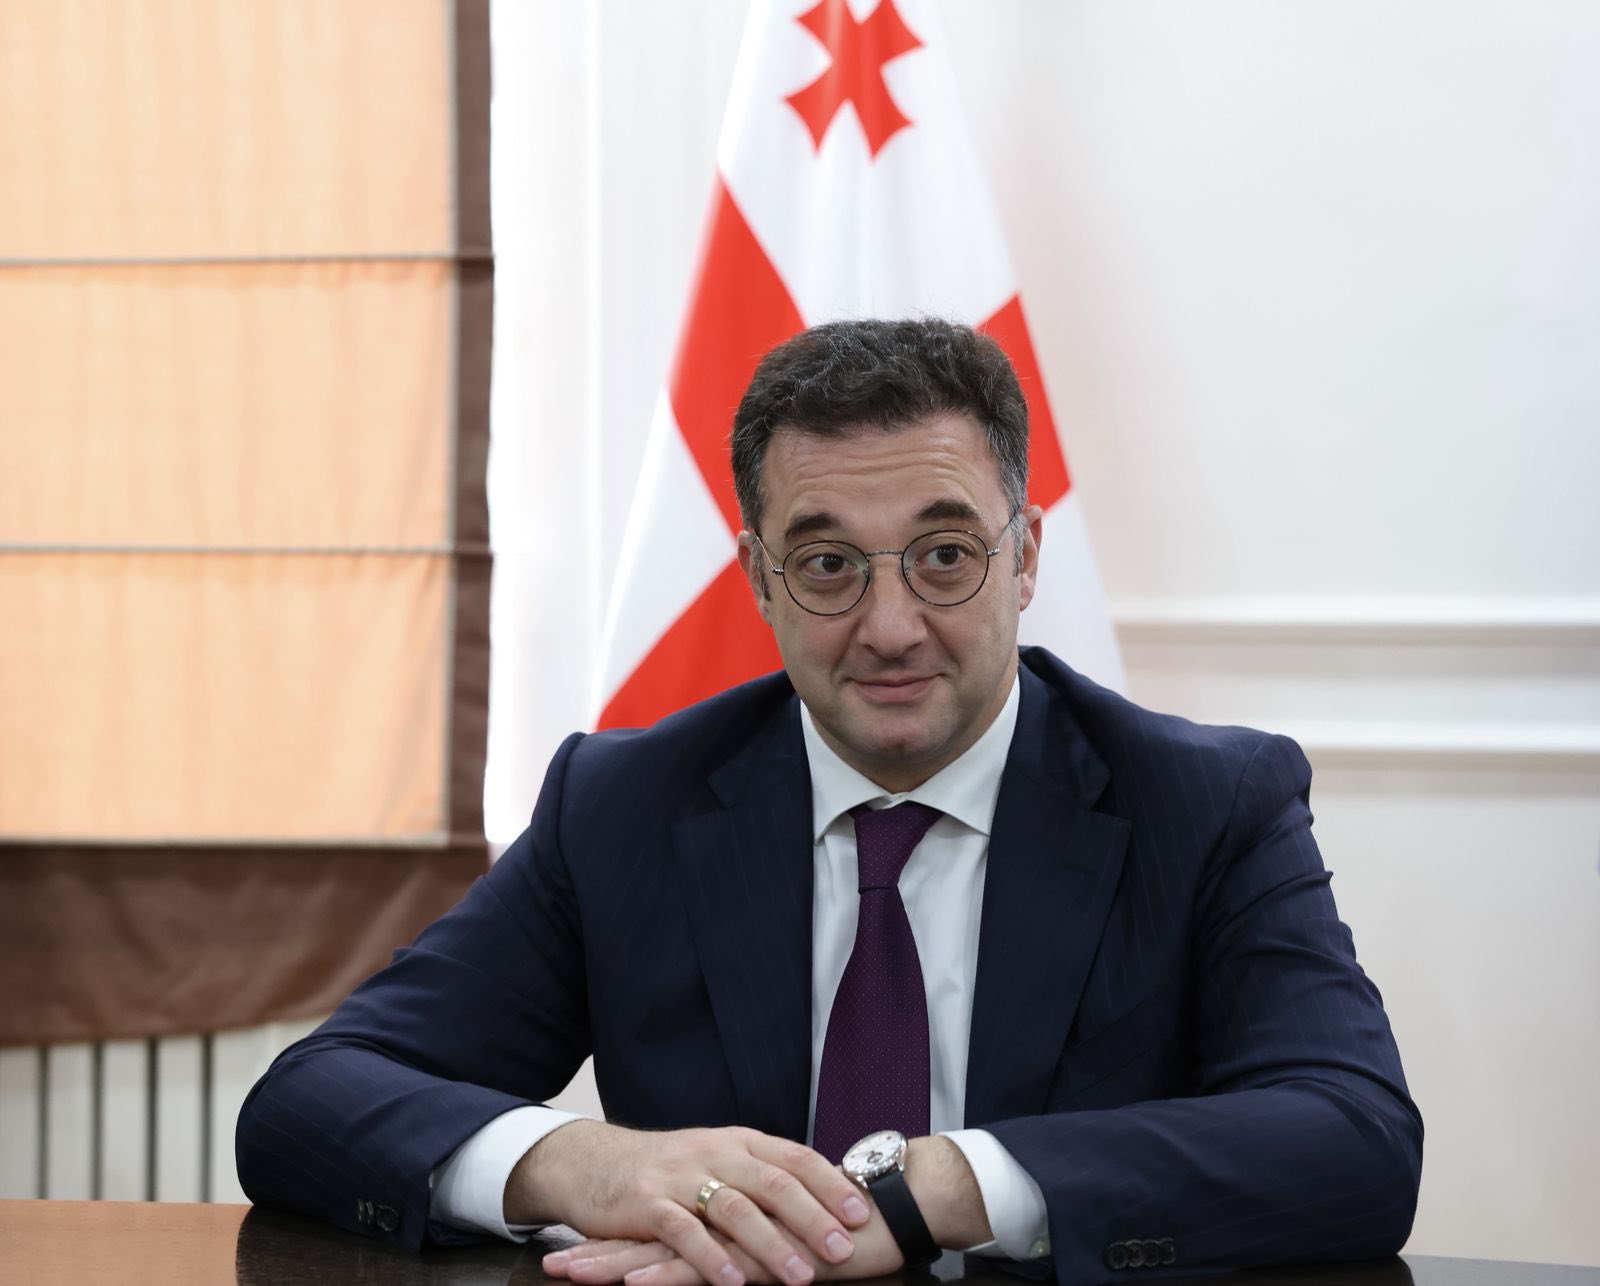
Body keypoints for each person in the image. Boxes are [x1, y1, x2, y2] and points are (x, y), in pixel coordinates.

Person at [236, 318, 1422, 1284]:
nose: (890, 625)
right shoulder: (625, 803)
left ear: (1023, 557)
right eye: (827, 564)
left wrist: (932, 1187)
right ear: (759, 579)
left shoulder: (1204, 803)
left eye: (944, 553)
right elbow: (311, 1098)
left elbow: (1353, 1136)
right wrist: (587, 1162)